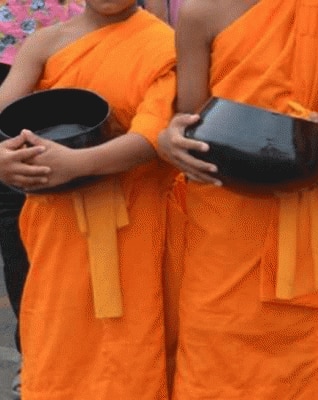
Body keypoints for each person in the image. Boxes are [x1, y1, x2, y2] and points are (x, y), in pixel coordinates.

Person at [156, 0, 318, 398]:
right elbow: (189, 116)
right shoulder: (200, 13)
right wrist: (169, 138)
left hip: (314, 202)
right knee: (217, 352)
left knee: (309, 364)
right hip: (225, 220)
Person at [0, 0, 176, 398]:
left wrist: (78, 163)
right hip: (60, 230)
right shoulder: (44, 43)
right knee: (60, 338)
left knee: (135, 344)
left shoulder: (163, 45)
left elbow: (153, 137)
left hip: (138, 222)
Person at [0, 1, 84, 397]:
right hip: (9, 57)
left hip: (89, 45)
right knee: (17, 215)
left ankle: (82, 349)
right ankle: (32, 352)